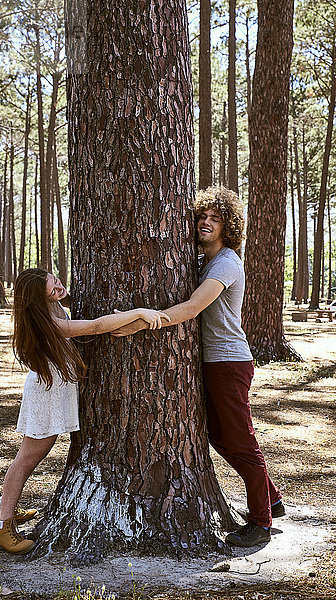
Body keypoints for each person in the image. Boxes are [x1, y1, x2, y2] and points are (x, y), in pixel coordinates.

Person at [112, 186, 285, 548]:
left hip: (229, 361)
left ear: (228, 227)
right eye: (202, 217)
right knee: (219, 437)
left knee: (240, 440)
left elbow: (192, 307)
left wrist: (142, 321)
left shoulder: (226, 262)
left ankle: (261, 523)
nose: (206, 223)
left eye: (215, 219)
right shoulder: (199, 260)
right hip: (212, 362)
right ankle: (272, 499)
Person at [0, 268, 170, 555]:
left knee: (29, 457)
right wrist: (139, 312)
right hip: (45, 395)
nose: (59, 287)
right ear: (38, 299)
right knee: (28, 458)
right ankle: (3, 527)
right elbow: (96, 326)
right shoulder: (49, 322)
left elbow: (99, 322)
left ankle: (4, 507)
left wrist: (122, 316)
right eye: (52, 288)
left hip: (53, 389)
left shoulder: (53, 307)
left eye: (56, 280)